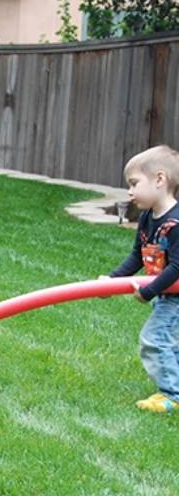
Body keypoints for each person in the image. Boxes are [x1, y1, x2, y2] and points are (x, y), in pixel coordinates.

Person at [106, 145, 179, 412]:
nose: (129, 191)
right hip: (165, 295)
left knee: (155, 339)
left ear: (160, 180)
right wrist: (111, 281)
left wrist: (148, 292)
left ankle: (172, 396)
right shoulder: (148, 218)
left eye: (135, 183)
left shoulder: (176, 224)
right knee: (170, 343)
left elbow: (177, 268)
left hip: (176, 298)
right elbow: (138, 256)